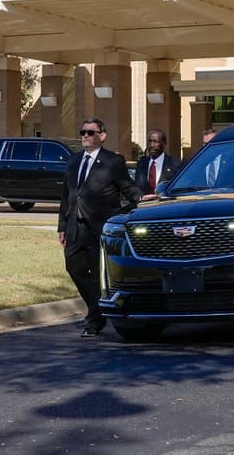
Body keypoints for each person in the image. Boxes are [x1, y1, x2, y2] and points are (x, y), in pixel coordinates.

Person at [58, 118, 143, 338]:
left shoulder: (112, 161)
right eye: (83, 132)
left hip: (99, 227)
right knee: (73, 268)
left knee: (97, 274)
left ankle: (94, 319)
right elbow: (67, 196)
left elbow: (127, 187)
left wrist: (142, 198)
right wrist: (62, 226)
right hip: (75, 227)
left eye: (90, 132)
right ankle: (97, 308)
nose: (85, 136)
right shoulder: (74, 161)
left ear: (102, 136)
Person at [134, 129, 180, 198]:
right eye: (150, 141)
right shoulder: (141, 163)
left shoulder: (175, 164)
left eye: (156, 142)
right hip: (145, 205)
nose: (152, 145)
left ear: (164, 144)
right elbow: (137, 186)